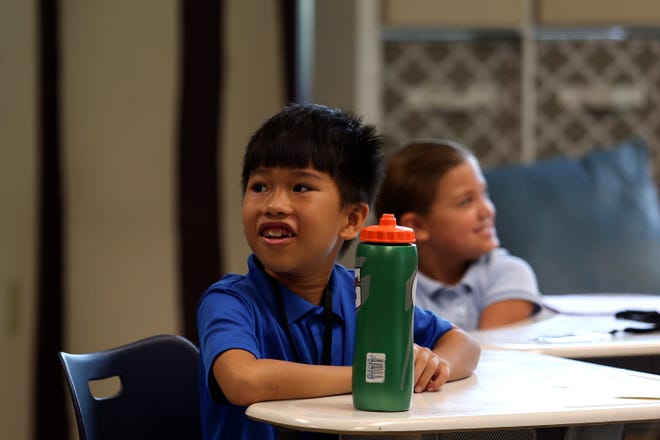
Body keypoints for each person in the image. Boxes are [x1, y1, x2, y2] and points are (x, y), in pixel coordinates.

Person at [197, 104, 481, 440]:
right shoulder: (230, 300)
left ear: (351, 220)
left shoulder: (364, 291)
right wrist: (374, 377)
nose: (274, 204)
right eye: (260, 186)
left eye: (300, 187)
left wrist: (429, 368)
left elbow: (464, 345)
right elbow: (243, 381)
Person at [375, 139, 542, 331]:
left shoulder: (508, 274)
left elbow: (495, 357)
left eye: (484, 193)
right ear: (416, 226)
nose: (486, 210)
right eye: (466, 201)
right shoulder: (388, 290)